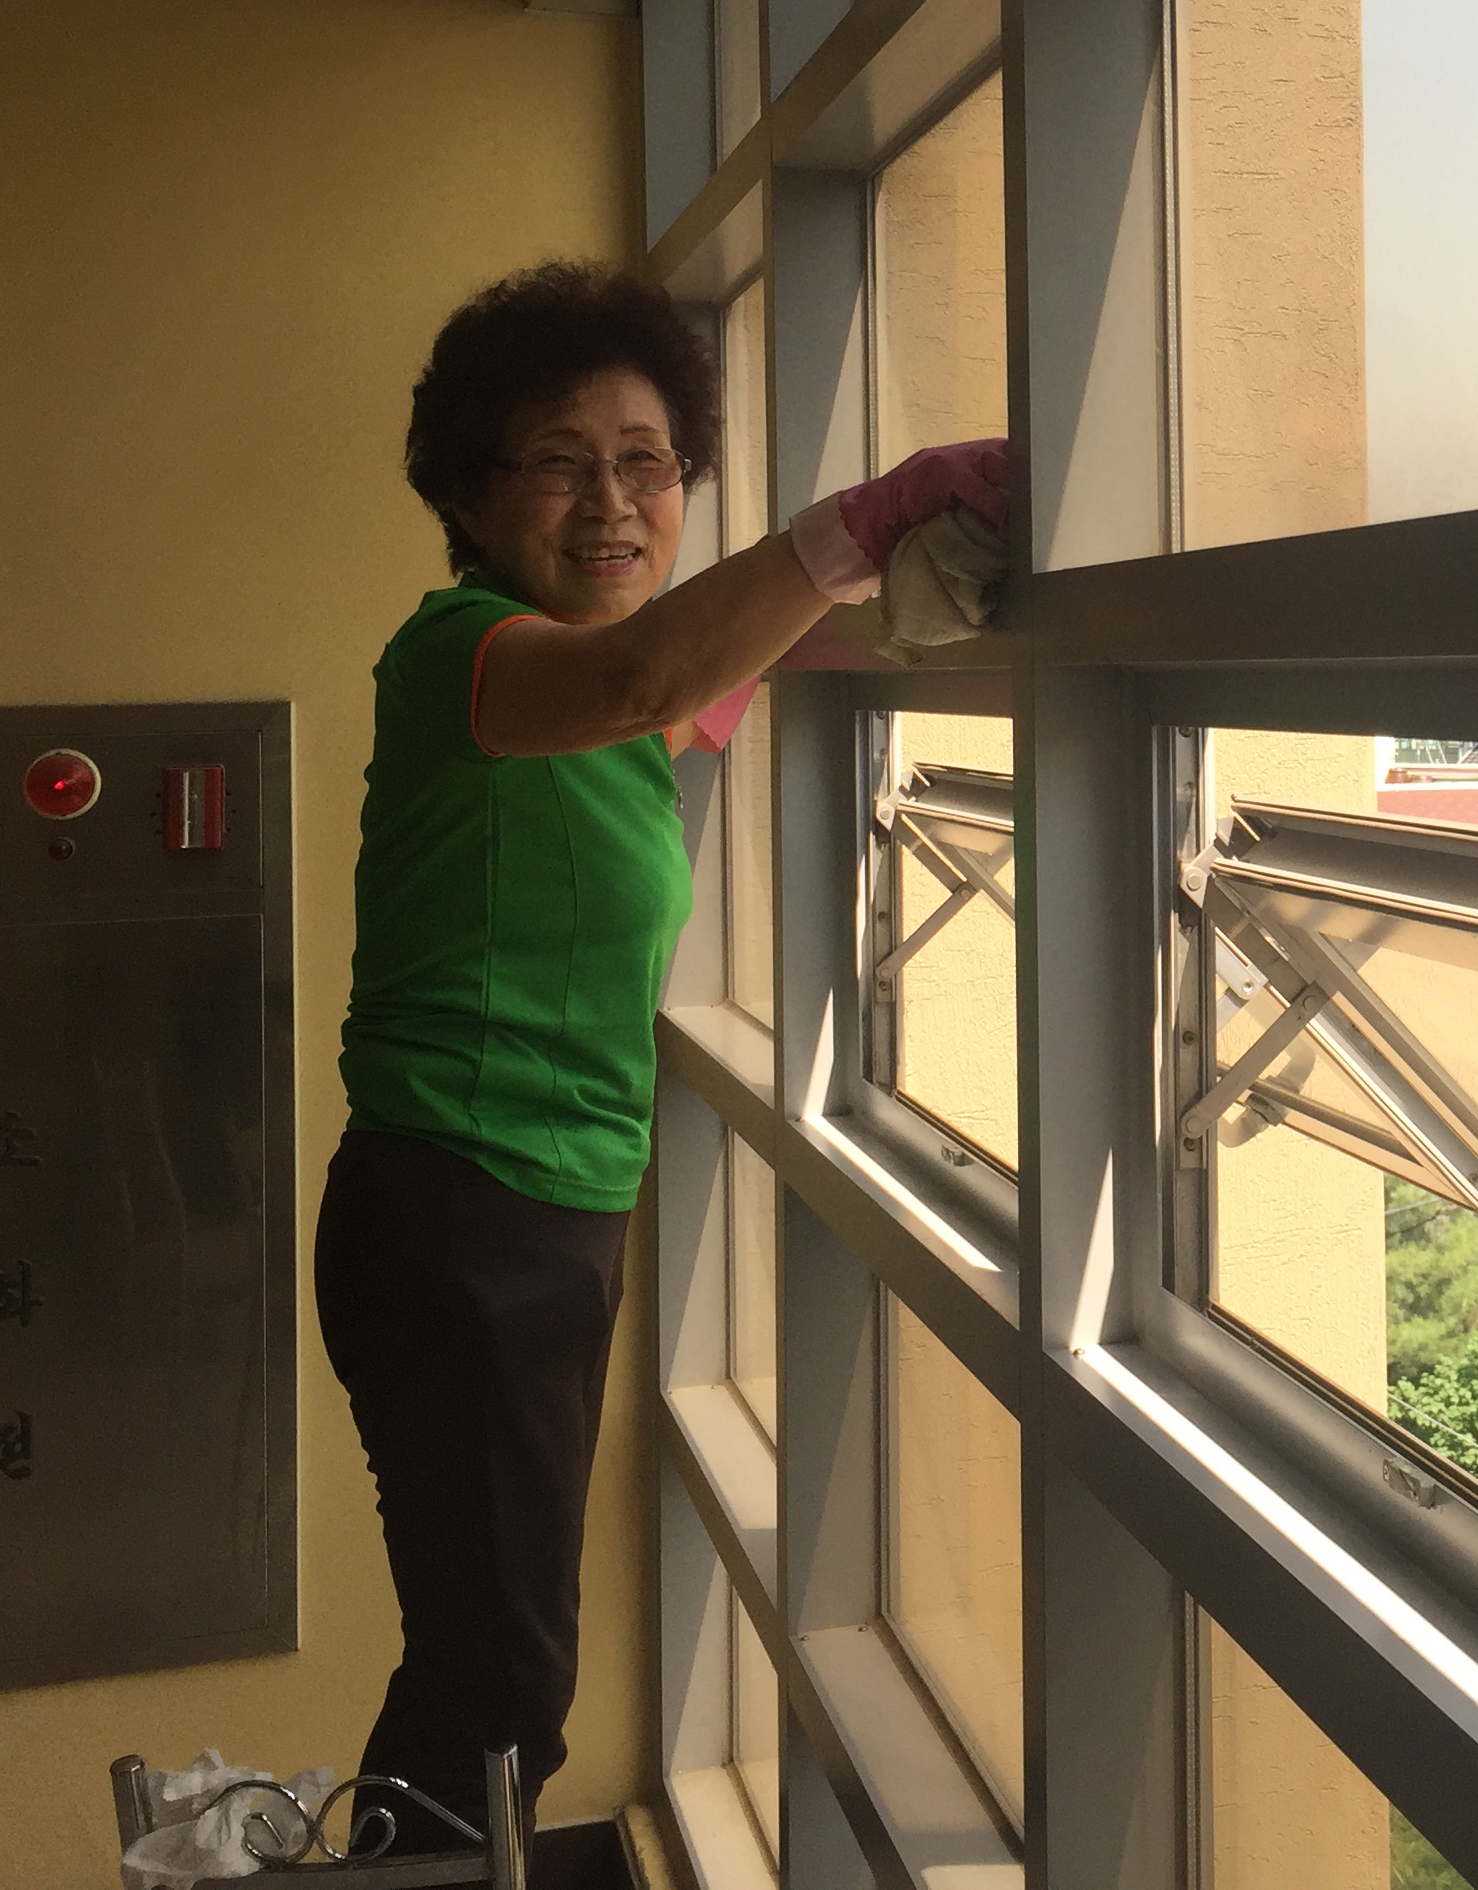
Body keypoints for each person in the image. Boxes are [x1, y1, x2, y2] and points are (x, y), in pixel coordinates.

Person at [315, 261, 1004, 1845]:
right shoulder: (468, 655)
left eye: (648, 461)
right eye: (561, 461)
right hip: (461, 1216)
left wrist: (900, 598)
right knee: (498, 1686)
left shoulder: (611, 693)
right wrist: (861, 521)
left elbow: (700, 680)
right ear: (468, 496)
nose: (614, 501)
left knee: (488, 1667)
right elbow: (650, 676)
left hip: (536, 1212)